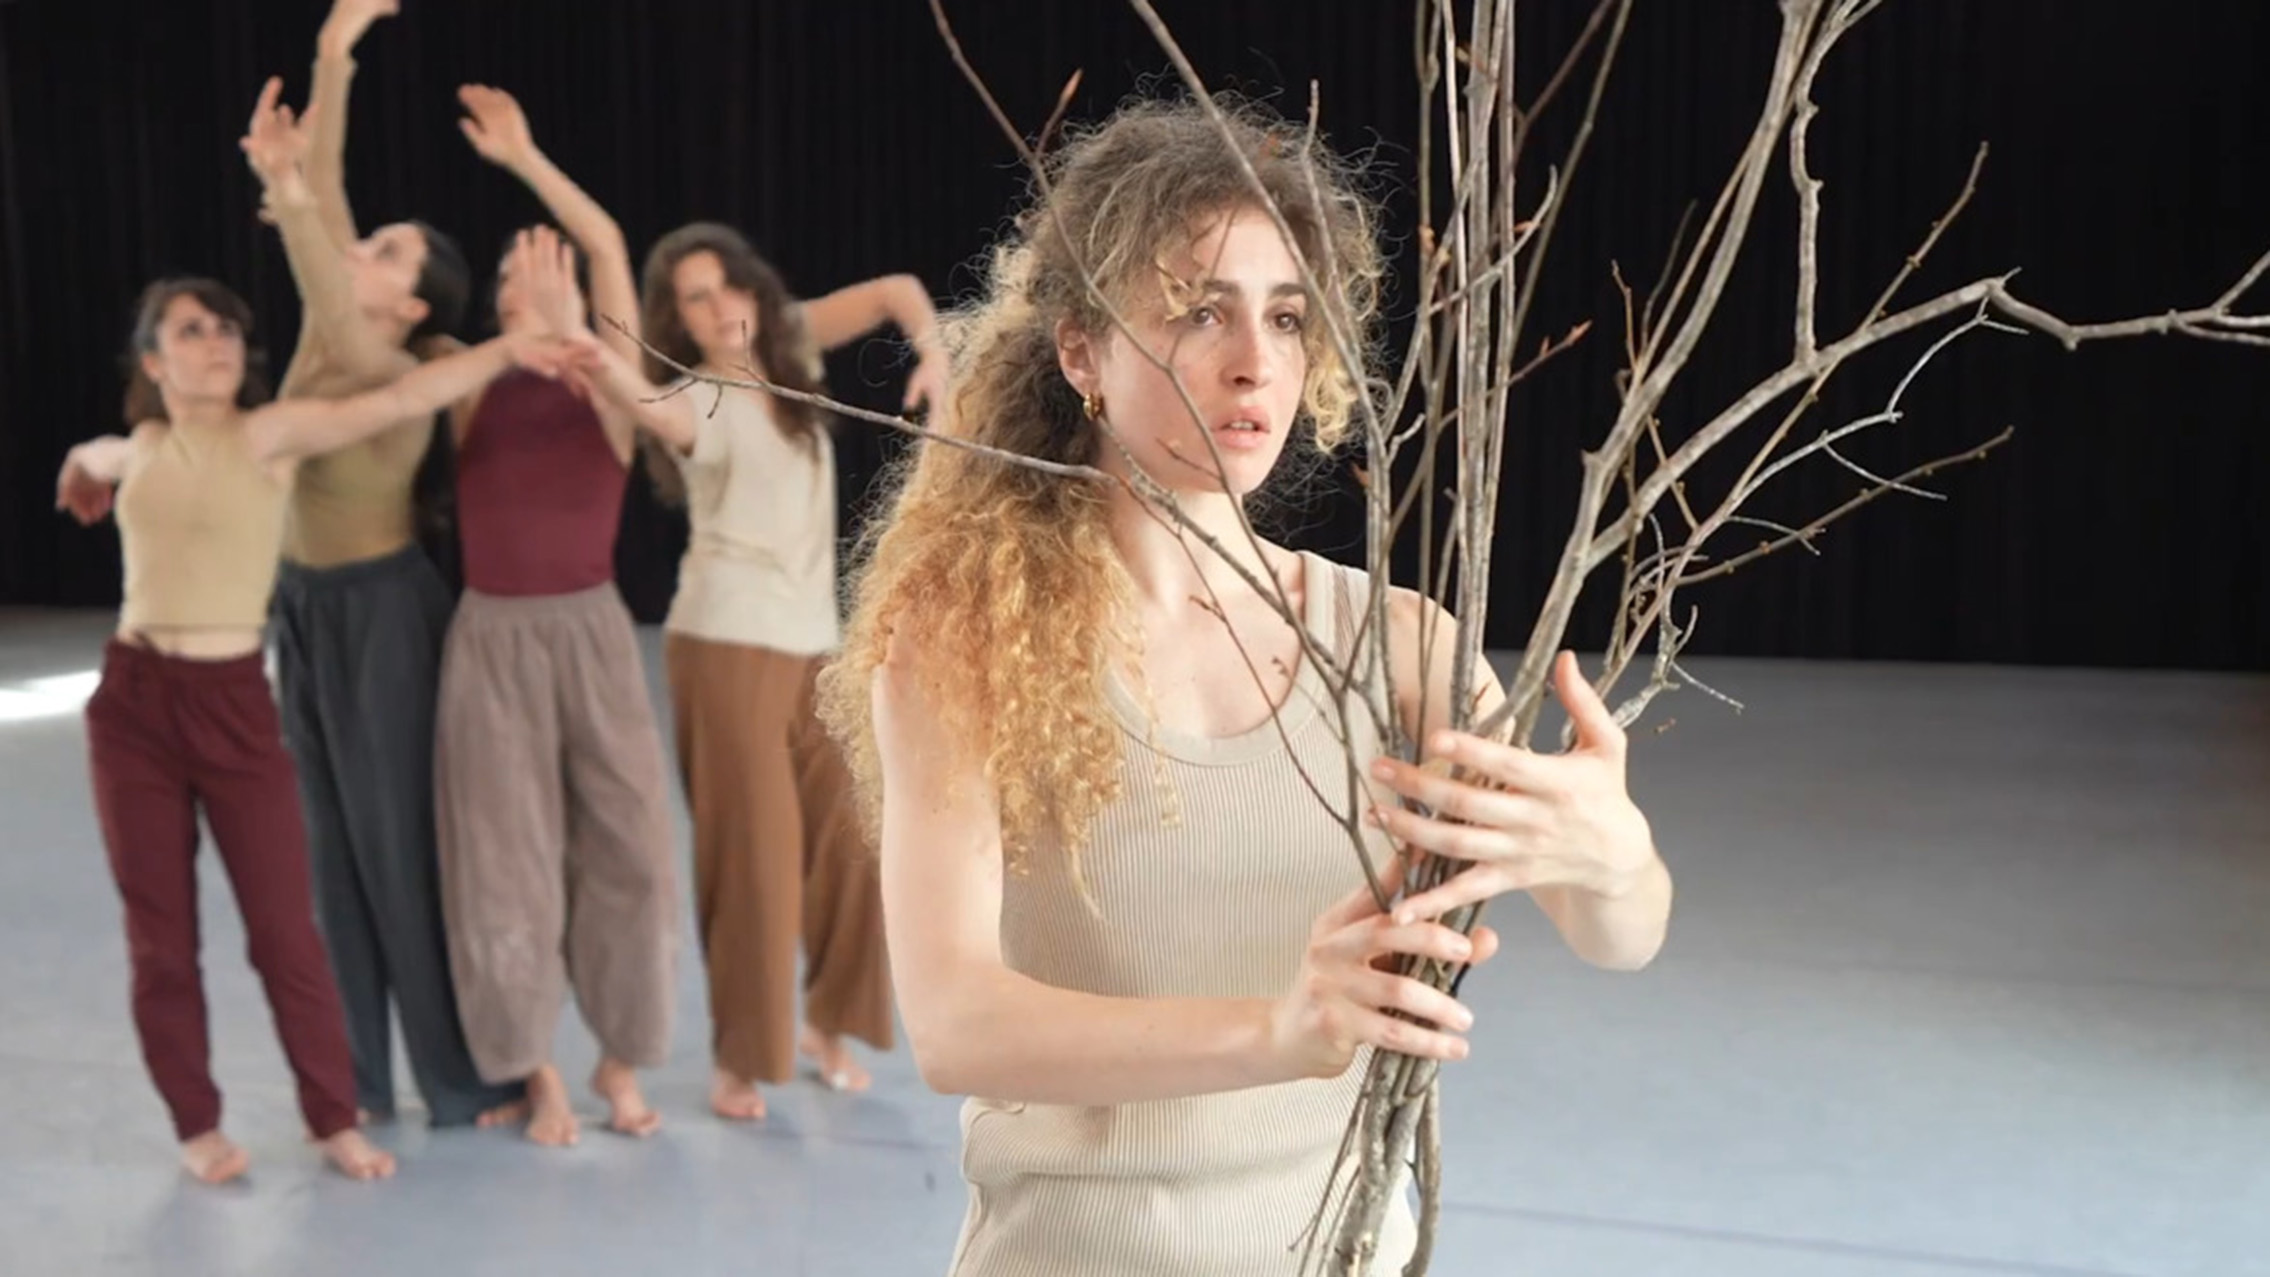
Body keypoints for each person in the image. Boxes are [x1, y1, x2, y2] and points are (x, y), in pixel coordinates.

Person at [811, 101, 1675, 1273]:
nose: (1252, 358)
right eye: (1196, 310)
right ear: (1081, 352)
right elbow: (958, 1022)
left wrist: (1610, 852)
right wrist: (1276, 1030)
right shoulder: (964, 643)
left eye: (1283, 314)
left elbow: (1617, 935)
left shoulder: (1399, 646)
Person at [54, 277, 575, 1187]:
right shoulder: (140, 445)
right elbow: (102, 453)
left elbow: (401, 397)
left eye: (226, 329)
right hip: (133, 705)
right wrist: (78, 462)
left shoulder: (270, 435)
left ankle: (333, 1113)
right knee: (159, 936)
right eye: (190, 330)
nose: (216, 343)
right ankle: (197, 1123)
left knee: (286, 931)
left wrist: (508, 351)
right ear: (152, 360)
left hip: (231, 699)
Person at [553, 219, 945, 1120]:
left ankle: (826, 1024)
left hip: (817, 646)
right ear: (677, 320)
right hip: (725, 646)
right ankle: (741, 1055)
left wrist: (937, 358)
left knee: (854, 846)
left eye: (728, 283)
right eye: (695, 297)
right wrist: (592, 353)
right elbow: (646, 406)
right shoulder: (698, 395)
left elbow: (895, 288)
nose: (720, 304)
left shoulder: (791, 345)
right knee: (756, 862)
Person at [247, 0, 526, 1132]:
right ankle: (352, 1082)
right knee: (329, 862)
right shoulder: (330, 333)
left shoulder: (403, 354)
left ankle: (460, 1080)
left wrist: (296, 192)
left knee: (399, 851)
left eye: (389, 249)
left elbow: (319, 235)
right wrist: (332, 51)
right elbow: (324, 213)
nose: (364, 246)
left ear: (414, 301)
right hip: (302, 612)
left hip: (385, 616)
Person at [431, 87, 678, 1148]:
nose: (529, 290)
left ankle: (620, 1055)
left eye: (548, 278)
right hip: (489, 637)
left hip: (590, 630)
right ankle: (533, 1066)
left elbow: (608, 238)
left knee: (631, 845)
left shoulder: (608, 393)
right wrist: (511, 338)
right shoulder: (468, 387)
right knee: (502, 858)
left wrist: (527, 159)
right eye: (511, 285)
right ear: (493, 308)